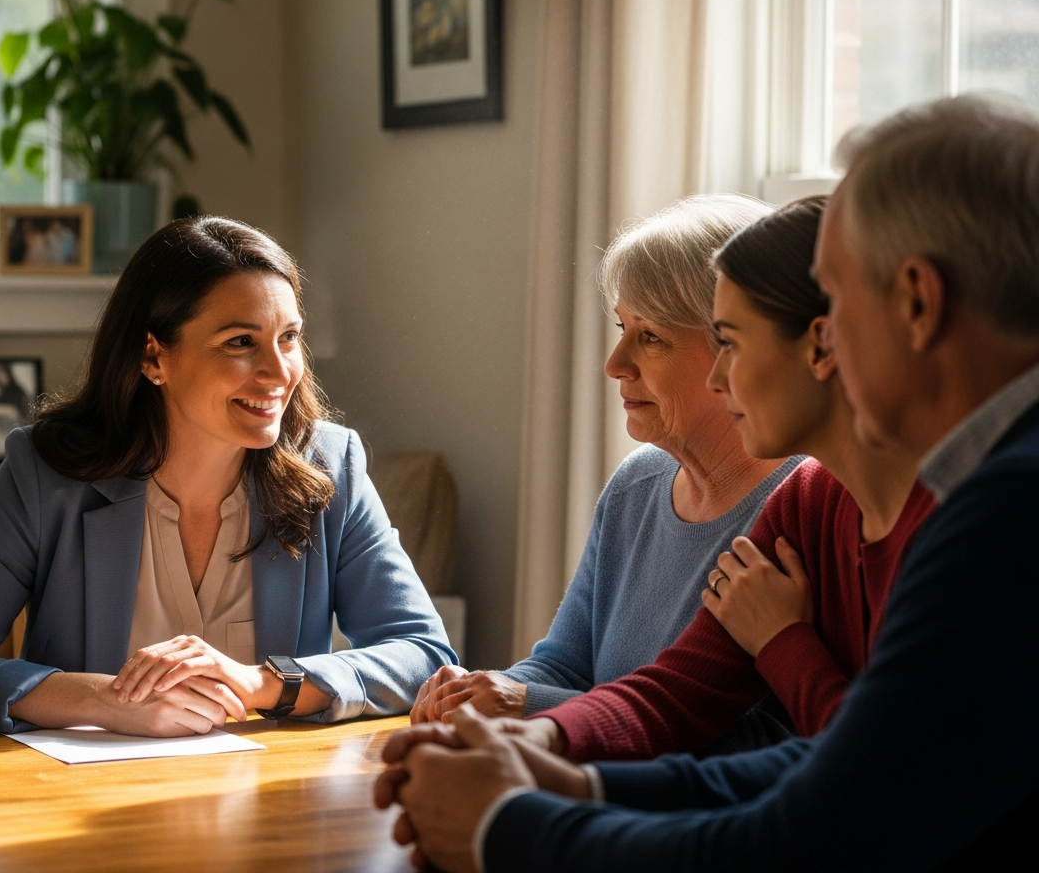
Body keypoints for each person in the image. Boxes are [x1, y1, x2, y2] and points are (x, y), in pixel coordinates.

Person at [376, 93, 1039, 871]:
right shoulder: (965, 487)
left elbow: (818, 833)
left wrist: (505, 828)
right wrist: (572, 779)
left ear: (918, 303)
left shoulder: (1006, 509)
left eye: (837, 295)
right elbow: (832, 767)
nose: (826, 337)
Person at [0, 215, 455, 736]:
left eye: (288, 337)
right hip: (78, 800)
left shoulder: (332, 467)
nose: (279, 372)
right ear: (153, 357)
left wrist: (260, 682)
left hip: (271, 800)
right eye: (240, 342)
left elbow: (423, 654)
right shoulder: (47, 473)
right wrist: (100, 700)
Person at [500, 196, 936, 762]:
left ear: (822, 346)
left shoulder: (948, 513)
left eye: (730, 342)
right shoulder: (804, 501)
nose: (720, 375)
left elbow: (866, 770)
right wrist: (531, 736)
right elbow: (670, 701)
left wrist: (783, 642)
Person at [411, 194, 802, 736]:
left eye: (651, 338)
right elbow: (562, 665)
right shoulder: (637, 483)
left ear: (736, 348)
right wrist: (479, 693)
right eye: (623, 329)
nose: (615, 365)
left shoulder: (802, 508)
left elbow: (762, 737)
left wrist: (524, 704)